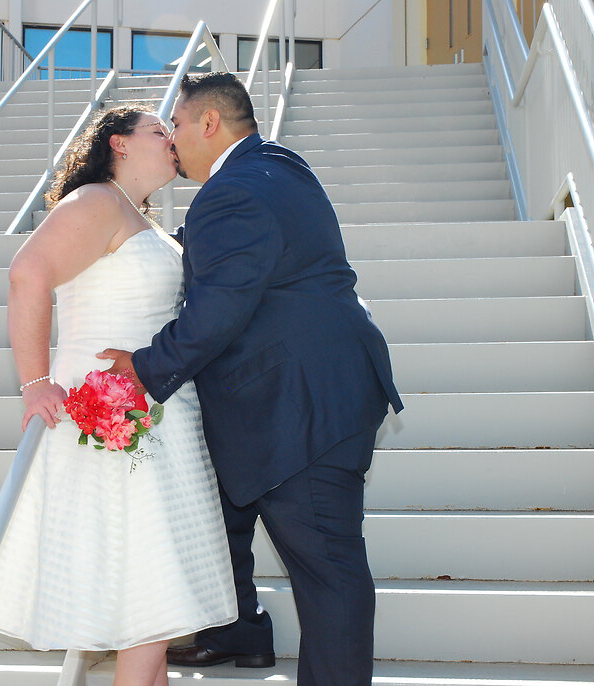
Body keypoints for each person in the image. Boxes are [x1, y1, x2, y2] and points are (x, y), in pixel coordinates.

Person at [98, 72, 403, 686]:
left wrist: (145, 365)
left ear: (210, 123)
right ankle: (237, 627)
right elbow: (232, 260)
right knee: (224, 510)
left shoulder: (231, 192)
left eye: (177, 124)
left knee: (328, 569)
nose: (173, 139)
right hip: (306, 395)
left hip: (301, 408)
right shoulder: (278, 166)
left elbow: (219, 308)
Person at [0, 104, 238, 686]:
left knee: (153, 596)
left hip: (159, 411)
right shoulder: (96, 201)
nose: (171, 140)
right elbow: (27, 273)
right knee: (148, 588)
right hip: (111, 414)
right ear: (119, 143)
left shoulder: (137, 215)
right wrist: (35, 382)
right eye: (158, 131)